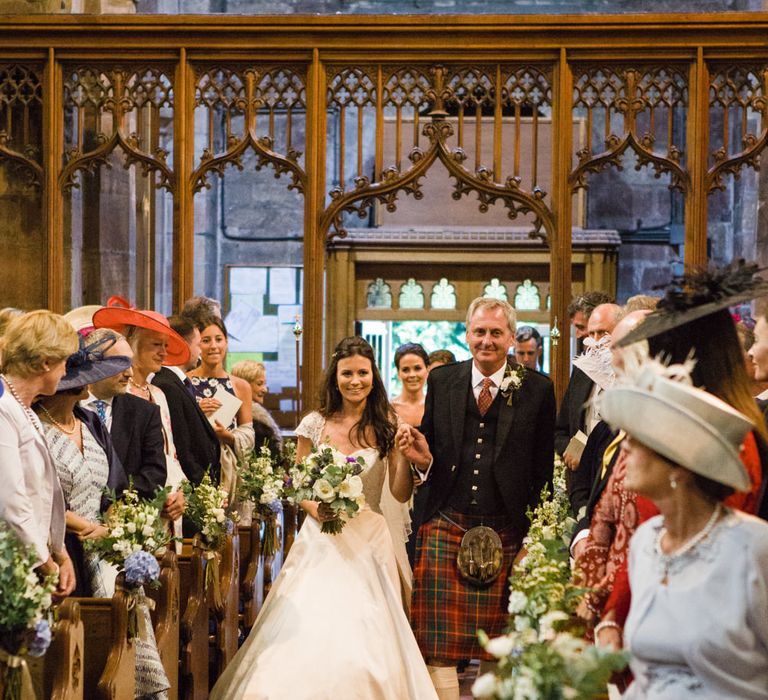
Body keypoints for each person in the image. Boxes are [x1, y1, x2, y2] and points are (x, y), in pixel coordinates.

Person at [210, 337, 437, 700]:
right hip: (322, 536)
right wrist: (321, 510)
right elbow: (299, 488)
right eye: (347, 373)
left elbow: (398, 493)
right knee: (312, 620)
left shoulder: (388, 423)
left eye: (363, 373)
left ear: (373, 376)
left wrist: (403, 456)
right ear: (335, 377)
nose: (355, 381)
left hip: (370, 534)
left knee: (368, 627)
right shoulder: (314, 424)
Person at [399, 297, 556, 700]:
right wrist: (422, 458)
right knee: (437, 643)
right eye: (479, 332)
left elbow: (542, 472)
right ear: (467, 334)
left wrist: (533, 541)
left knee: (498, 642)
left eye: (495, 333)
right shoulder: (443, 380)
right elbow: (431, 450)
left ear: (510, 338)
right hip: (445, 519)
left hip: (507, 526)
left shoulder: (538, 388)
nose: (486, 340)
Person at [597, 353, 768, 699]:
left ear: (680, 465)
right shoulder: (646, 543)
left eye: (639, 438)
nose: (624, 445)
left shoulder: (753, 548)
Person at [0, 310, 77, 601]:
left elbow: (44, 495)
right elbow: (10, 500)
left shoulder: (24, 409)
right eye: (64, 362)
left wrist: (60, 551)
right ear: (45, 362)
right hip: (13, 566)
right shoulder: (3, 407)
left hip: (31, 558)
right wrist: (45, 562)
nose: (66, 372)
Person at [92, 307, 187, 531]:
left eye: (166, 346)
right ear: (132, 344)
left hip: (157, 504)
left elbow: (169, 454)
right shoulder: (117, 393)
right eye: (156, 344)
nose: (164, 352)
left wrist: (181, 491)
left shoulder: (158, 395)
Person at [151, 315, 221, 488]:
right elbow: (181, 446)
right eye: (198, 345)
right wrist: (202, 490)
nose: (200, 352)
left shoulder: (177, 382)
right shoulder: (167, 385)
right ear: (181, 345)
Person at [189, 315, 254, 498]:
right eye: (206, 340)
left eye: (219, 339)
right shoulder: (185, 381)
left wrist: (228, 436)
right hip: (195, 463)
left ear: (226, 342)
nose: (214, 346)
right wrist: (197, 413)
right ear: (197, 345)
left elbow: (248, 433)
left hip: (227, 467)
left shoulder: (240, 386)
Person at [555, 295, 617, 464]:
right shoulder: (581, 371)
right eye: (591, 332)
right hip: (580, 478)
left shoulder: (629, 374)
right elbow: (562, 429)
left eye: (602, 333)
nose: (592, 339)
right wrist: (574, 450)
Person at [231, 359, 283, 456]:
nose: (265, 389)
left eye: (265, 383)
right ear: (244, 385)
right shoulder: (251, 420)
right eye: (259, 384)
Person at [391, 342, 429, 427]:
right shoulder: (387, 409)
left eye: (417, 368)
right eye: (405, 370)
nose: (412, 375)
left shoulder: (436, 407)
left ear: (427, 370)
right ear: (398, 374)